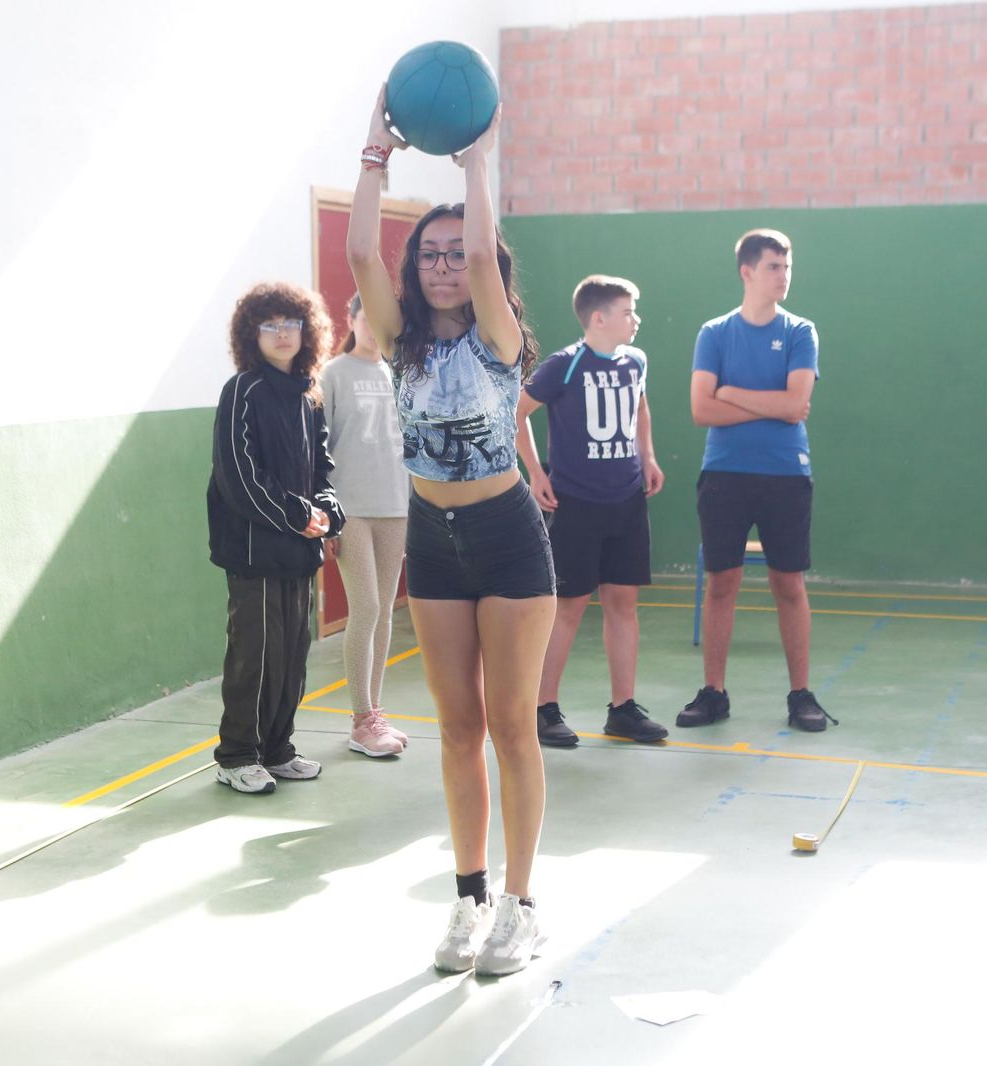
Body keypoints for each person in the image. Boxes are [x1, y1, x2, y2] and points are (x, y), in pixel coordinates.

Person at [347, 88, 554, 977]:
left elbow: (478, 251)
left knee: (513, 725)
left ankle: (520, 905)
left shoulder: (498, 337)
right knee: (457, 727)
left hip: (508, 538)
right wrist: (372, 157)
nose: (442, 264)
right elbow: (359, 248)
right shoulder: (399, 344)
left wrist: (475, 159)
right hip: (434, 542)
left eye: (454, 253)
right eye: (426, 254)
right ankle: (468, 902)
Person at [681, 229, 837, 733]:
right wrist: (761, 402)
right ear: (748, 271)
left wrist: (732, 392)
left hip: (786, 476)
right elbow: (701, 410)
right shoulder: (714, 333)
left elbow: (795, 406)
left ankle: (801, 696)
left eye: (787, 266)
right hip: (724, 475)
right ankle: (714, 694)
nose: (784, 275)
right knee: (721, 583)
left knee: (788, 583)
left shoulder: (800, 332)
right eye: (774, 266)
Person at [516, 275, 668, 748]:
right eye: (628, 312)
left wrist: (648, 456)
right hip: (576, 503)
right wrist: (536, 475)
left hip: (625, 501)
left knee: (623, 604)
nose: (636, 320)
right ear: (598, 318)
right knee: (569, 607)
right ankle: (543, 708)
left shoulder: (635, 360)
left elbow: (640, 407)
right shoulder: (565, 364)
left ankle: (622, 708)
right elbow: (515, 412)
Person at [207, 282, 347, 794]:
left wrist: (328, 510)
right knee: (255, 654)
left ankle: (276, 748)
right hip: (254, 551)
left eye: (292, 323)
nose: (283, 333)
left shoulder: (309, 393)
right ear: (252, 333)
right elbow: (239, 475)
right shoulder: (243, 390)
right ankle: (237, 754)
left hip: (298, 548)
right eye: (271, 325)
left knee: (292, 652)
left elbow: (322, 467)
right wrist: (297, 514)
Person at [320, 293, 412, 758]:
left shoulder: (399, 374)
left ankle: (374, 710)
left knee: (385, 612)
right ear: (351, 319)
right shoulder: (333, 374)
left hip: (394, 506)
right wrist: (327, 518)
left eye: (383, 322)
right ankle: (361, 720)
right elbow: (319, 449)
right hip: (350, 509)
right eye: (366, 319)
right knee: (368, 608)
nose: (375, 329)